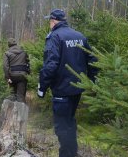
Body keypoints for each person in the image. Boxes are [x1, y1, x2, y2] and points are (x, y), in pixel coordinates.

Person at [37, 9, 98, 157]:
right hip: (77, 89)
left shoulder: (55, 37)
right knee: (69, 122)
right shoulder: (79, 36)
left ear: (53, 21)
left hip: (62, 90)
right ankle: (72, 153)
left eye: (49, 21)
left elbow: (50, 65)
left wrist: (42, 87)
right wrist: (91, 82)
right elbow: (93, 60)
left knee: (62, 127)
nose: (49, 24)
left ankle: (67, 154)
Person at [3, 38, 30, 103]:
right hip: (23, 76)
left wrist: (8, 78)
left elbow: (5, 66)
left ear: (8, 45)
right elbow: (28, 64)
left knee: (12, 95)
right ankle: (22, 112)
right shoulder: (24, 52)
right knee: (21, 96)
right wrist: (28, 74)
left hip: (12, 77)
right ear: (16, 44)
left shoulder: (7, 53)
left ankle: (12, 112)